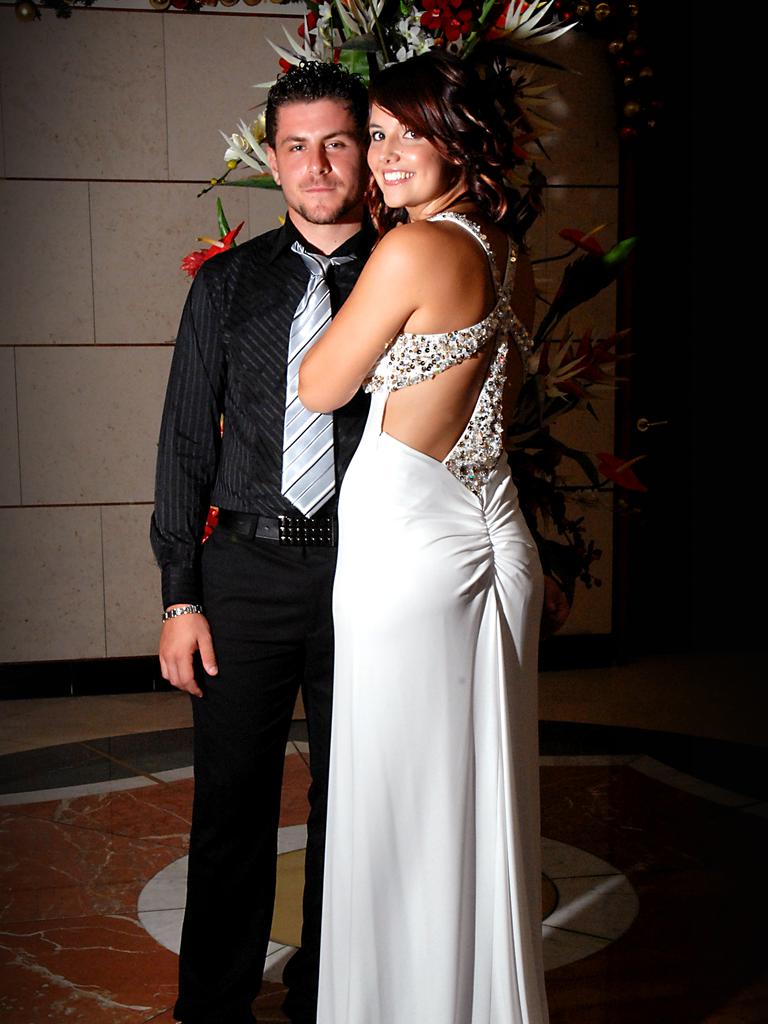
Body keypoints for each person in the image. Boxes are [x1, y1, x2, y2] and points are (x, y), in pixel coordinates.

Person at [299, 49, 550, 1023]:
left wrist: (373, 245)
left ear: (464, 138)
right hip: (489, 529)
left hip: (409, 546)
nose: (387, 156)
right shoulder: (507, 251)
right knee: (473, 803)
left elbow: (321, 382)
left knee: (403, 810)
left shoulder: (410, 251)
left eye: (413, 133)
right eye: (382, 135)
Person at [150, 61, 375, 1024]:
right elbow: (183, 442)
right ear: (271, 161)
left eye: (337, 141)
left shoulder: (410, 272)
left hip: (369, 571)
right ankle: (212, 1002)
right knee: (232, 803)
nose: (317, 164)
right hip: (244, 571)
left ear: (365, 151)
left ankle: (327, 990)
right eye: (296, 146)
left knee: (354, 808)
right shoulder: (228, 285)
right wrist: (180, 594)